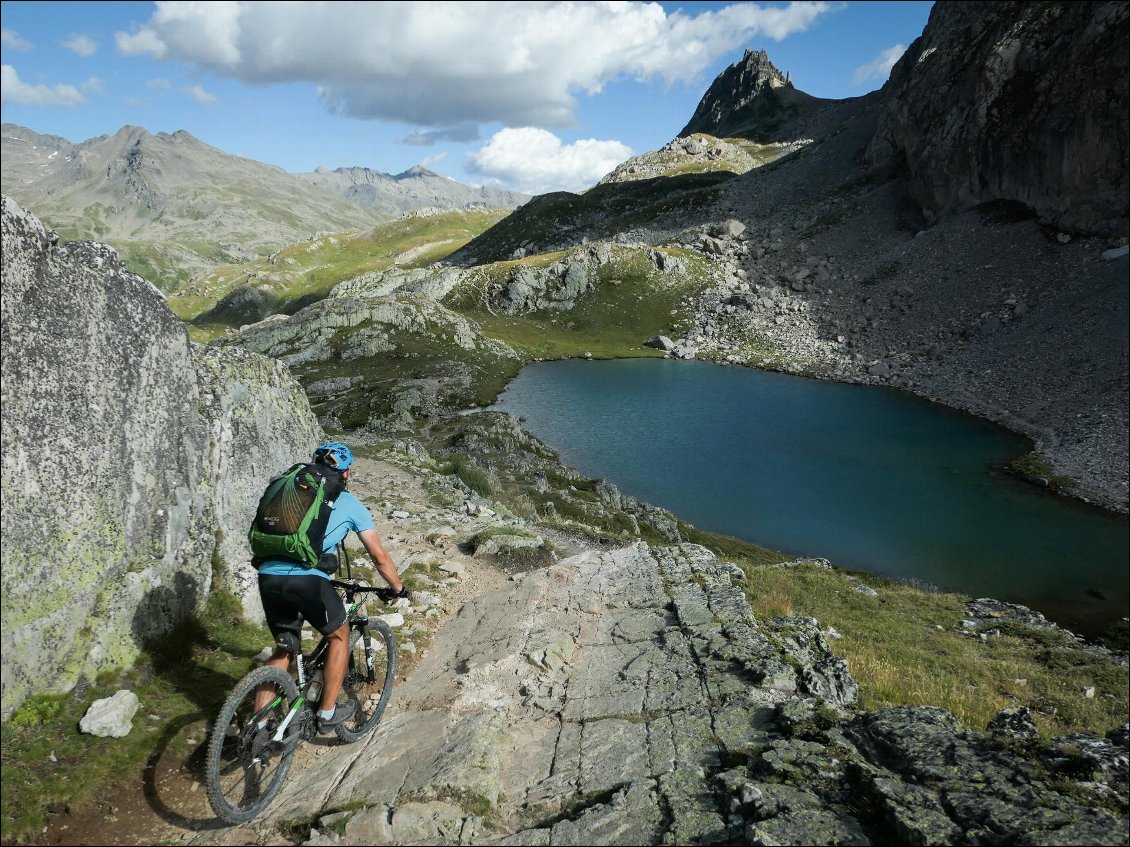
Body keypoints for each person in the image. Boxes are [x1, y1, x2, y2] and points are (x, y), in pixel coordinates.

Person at [254, 442, 407, 730]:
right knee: (340, 636)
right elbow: (378, 556)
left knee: (284, 647)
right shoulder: (349, 504)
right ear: (346, 474)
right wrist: (397, 587)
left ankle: (258, 728)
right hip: (307, 579)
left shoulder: (291, 491)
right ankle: (326, 714)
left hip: (268, 573)